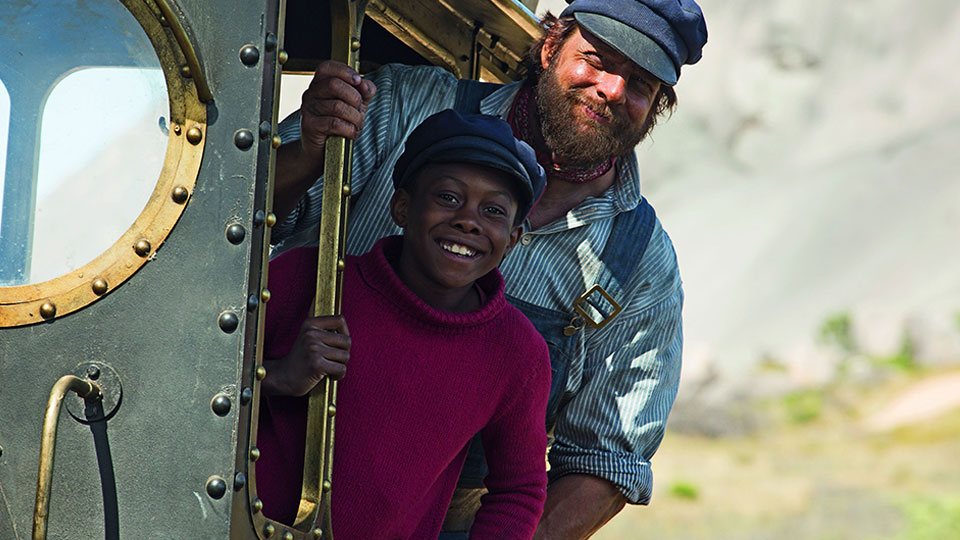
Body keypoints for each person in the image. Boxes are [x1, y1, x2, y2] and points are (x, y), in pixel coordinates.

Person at [270, 0, 708, 537]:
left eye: (640, 83)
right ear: (551, 45)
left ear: (658, 104)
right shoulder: (408, 106)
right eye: (596, 59)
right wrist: (310, 152)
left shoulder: (640, 262)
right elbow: (242, 225)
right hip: (267, 489)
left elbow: (606, 464)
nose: (612, 89)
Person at [255, 110, 552, 539]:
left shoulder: (517, 351)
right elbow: (196, 379)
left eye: (492, 211)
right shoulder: (307, 279)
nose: (468, 220)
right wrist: (280, 376)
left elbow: (518, 489)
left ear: (513, 240)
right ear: (402, 207)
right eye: (448, 197)